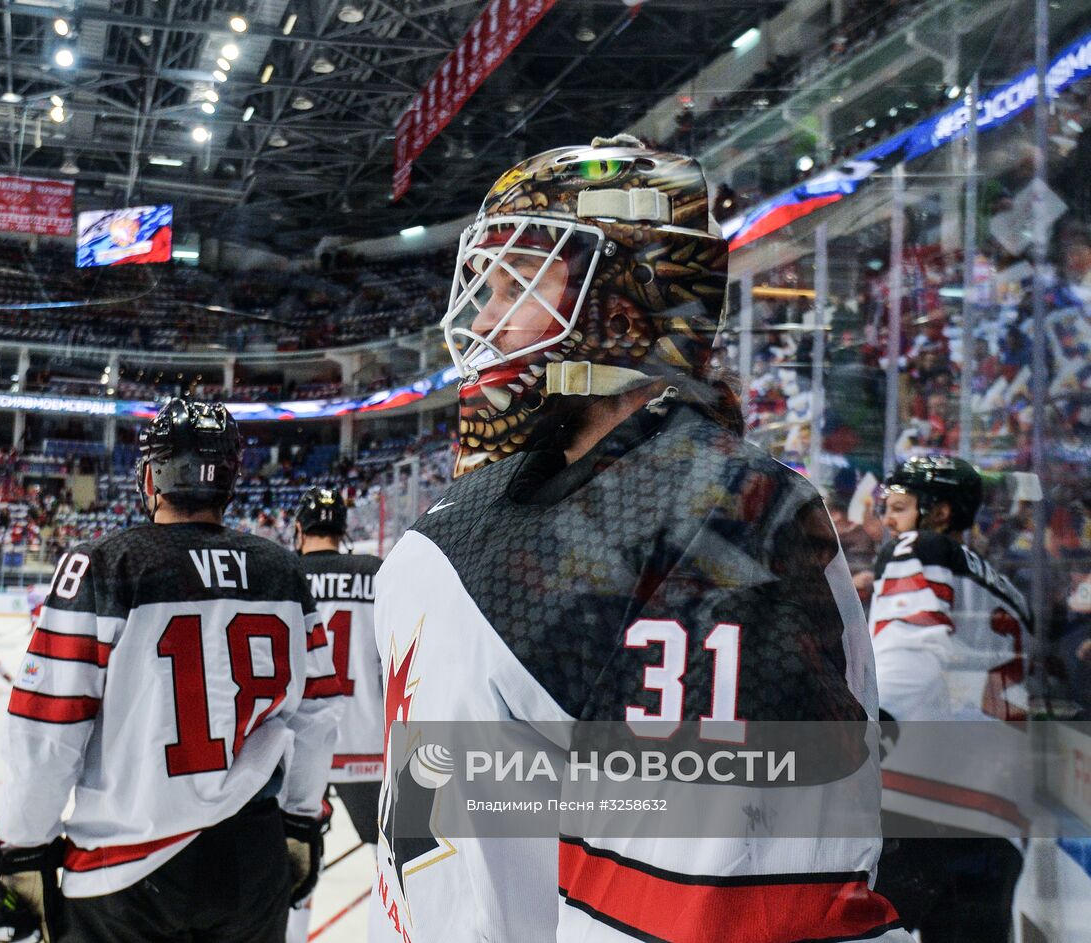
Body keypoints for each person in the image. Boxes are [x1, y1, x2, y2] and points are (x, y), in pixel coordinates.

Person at [372, 134, 904, 942]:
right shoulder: (495, 509)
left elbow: (734, 905)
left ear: (620, 313)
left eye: (514, 284)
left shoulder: (721, 520)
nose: (483, 320)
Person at [0, 398, 344, 943]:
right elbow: (316, 718)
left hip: (126, 869)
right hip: (249, 860)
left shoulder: (102, 565)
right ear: (230, 479)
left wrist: (22, 846)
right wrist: (301, 821)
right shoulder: (283, 572)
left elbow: (48, 729)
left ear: (150, 477)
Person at [867, 455, 1029, 942]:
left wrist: (866, 739)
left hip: (923, 801)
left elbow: (911, 655)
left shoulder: (922, 546)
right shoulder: (1012, 593)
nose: (889, 521)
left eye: (898, 507)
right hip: (1000, 812)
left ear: (938, 514)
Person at [286, 485, 382, 943]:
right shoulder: (379, 573)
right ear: (343, 532)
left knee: (293, 862)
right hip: (374, 747)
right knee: (406, 865)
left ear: (299, 530)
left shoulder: (283, 574)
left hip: (300, 747)